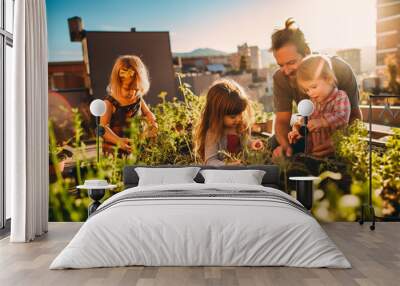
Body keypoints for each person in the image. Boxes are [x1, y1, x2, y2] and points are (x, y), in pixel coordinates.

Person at [270, 18, 362, 159]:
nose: (286, 71)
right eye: (280, 65)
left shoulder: (339, 69)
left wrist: (338, 141)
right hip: (309, 138)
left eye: (291, 62)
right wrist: (285, 146)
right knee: (272, 144)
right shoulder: (281, 77)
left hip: (336, 135)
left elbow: (355, 117)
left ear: (306, 51)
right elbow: (282, 121)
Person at [288, 55, 351, 157]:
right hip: (313, 150)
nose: (310, 93)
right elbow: (308, 121)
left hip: (335, 152)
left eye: (313, 87)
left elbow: (342, 117)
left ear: (328, 79)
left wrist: (323, 121)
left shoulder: (340, 97)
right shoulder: (313, 101)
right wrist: (299, 130)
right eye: (307, 90)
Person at [194, 79, 264, 166]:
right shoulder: (213, 134)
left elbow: (244, 141)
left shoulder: (239, 127)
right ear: (218, 115)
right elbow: (210, 161)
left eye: (240, 114)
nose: (238, 119)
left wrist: (252, 143)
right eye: (233, 117)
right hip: (224, 175)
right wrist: (228, 165)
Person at [100, 55, 158, 155]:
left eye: (136, 89)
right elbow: (102, 129)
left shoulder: (138, 98)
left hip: (136, 146)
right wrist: (118, 141)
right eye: (127, 89)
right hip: (116, 150)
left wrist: (152, 121)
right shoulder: (109, 103)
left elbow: (147, 112)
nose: (132, 93)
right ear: (117, 84)